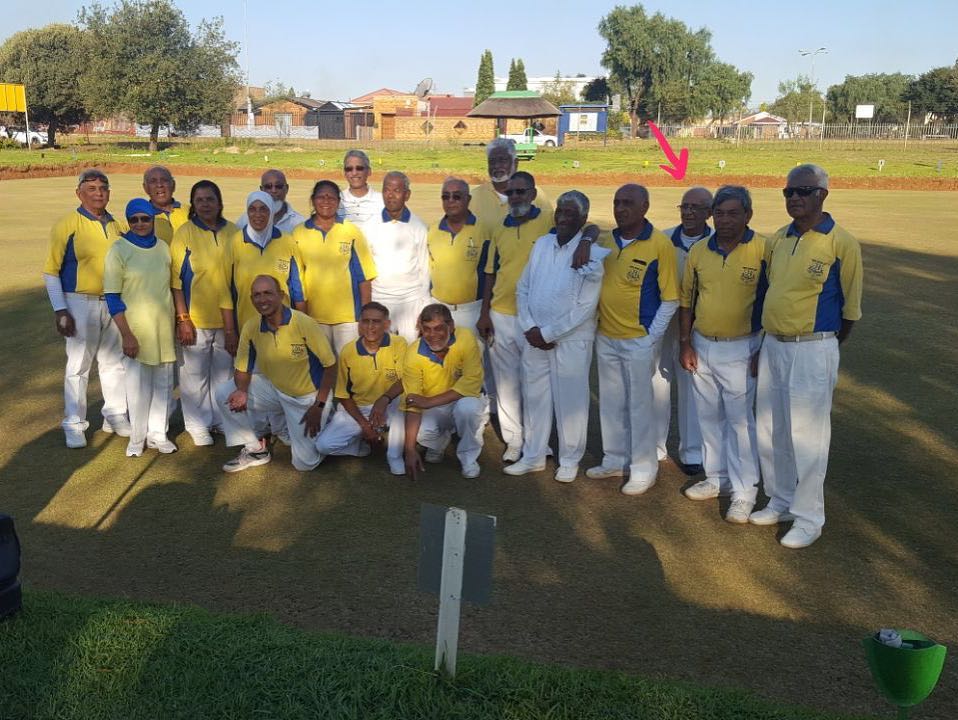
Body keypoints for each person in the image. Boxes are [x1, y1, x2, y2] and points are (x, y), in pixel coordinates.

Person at [751, 164, 863, 549]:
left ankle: (809, 517)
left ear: (823, 195)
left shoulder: (841, 242)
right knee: (770, 428)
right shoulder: (779, 238)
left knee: (807, 436)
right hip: (773, 345)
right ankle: (780, 499)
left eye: (803, 191)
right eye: (789, 192)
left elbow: (850, 310)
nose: (795, 198)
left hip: (813, 347)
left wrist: (823, 344)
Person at [679, 186, 766, 523]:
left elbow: (771, 301)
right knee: (708, 418)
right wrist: (685, 342)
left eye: (733, 213)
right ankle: (717, 478)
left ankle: (744, 492)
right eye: (720, 213)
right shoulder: (701, 250)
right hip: (702, 344)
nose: (725, 220)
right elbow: (687, 300)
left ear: (748, 215)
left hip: (743, 347)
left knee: (741, 422)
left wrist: (764, 348)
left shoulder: (763, 250)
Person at [506, 191, 607, 482]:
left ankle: (569, 460)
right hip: (534, 335)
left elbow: (585, 307)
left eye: (570, 214)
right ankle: (533, 456)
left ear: (583, 219)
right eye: (559, 212)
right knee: (535, 397)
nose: (562, 218)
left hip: (572, 340)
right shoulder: (542, 244)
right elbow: (523, 288)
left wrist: (549, 332)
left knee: (570, 401)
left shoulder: (593, 254)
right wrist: (530, 327)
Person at [588, 184, 680, 495]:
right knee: (611, 403)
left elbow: (670, 299)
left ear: (645, 207)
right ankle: (614, 459)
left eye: (628, 203)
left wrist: (651, 338)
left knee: (640, 406)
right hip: (606, 337)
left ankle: (644, 468)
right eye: (617, 202)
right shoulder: (607, 240)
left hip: (638, 340)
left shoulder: (659, 245)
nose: (621, 208)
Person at [42, 169, 129, 448]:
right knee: (78, 366)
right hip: (79, 301)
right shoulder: (67, 223)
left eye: (103, 187)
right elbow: (51, 270)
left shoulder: (116, 225)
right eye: (91, 188)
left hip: (113, 302)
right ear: (79, 193)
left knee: (114, 363)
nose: (98, 192)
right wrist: (60, 310)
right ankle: (74, 424)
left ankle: (115, 414)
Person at [215, 275, 336, 472]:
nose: (262, 300)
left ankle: (330, 421)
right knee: (224, 393)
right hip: (276, 390)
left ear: (281, 296)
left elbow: (330, 367)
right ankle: (256, 450)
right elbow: (242, 368)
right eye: (257, 295)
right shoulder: (251, 326)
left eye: (268, 293)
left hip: (308, 398)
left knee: (305, 463)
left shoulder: (304, 323)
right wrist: (242, 391)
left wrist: (319, 405)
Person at [103, 199, 177, 457]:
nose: (140, 224)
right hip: (134, 331)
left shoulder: (164, 248)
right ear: (128, 222)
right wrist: (126, 334)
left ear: (151, 219)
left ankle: (159, 434)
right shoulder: (119, 250)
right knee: (137, 387)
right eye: (134, 219)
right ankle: (137, 438)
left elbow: (170, 287)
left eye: (144, 218)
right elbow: (112, 297)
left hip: (163, 328)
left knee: (163, 385)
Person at [170, 180, 239, 446]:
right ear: (193, 204)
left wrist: (233, 325)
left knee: (223, 375)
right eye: (200, 200)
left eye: (210, 199)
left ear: (219, 202)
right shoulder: (185, 233)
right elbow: (176, 282)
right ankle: (197, 424)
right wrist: (183, 319)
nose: (206, 204)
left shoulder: (233, 232)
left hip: (227, 319)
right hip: (195, 319)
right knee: (194, 377)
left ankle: (219, 420)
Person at [653, 186, 712, 473]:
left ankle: (691, 452)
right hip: (664, 323)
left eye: (696, 208)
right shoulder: (663, 239)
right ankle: (654, 447)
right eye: (684, 207)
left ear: (708, 213)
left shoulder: (716, 242)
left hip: (698, 325)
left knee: (691, 386)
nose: (688, 213)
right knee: (657, 384)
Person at [316, 302, 406, 475]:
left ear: (386, 324)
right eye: (365, 321)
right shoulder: (348, 351)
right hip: (360, 408)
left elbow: (405, 380)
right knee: (323, 446)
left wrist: (383, 400)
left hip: (390, 402)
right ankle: (360, 446)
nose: (370, 327)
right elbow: (343, 395)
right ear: (359, 324)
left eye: (376, 321)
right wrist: (365, 426)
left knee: (404, 404)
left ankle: (394, 456)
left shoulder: (399, 343)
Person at [293, 180, 377, 354]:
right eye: (321, 197)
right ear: (312, 200)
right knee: (322, 369)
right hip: (314, 318)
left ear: (338, 202)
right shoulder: (299, 233)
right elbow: (297, 280)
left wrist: (365, 317)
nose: (326, 201)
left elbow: (364, 277)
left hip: (348, 319)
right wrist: (303, 318)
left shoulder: (351, 231)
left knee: (348, 369)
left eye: (331, 197)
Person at [402, 304, 486, 479]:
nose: (433, 335)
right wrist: (409, 449)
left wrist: (428, 402)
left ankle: (468, 458)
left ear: (451, 326)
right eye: (427, 329)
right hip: (436, 404)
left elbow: (471, 383)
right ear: (421, 329)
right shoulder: (412, 353)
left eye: (439, 328)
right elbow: (413, 403)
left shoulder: (466, 337)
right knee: (421, 434)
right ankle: (440, 441)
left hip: (465, 397)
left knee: (467, 410)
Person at [362, 171, 430, 342]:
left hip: (411, 302)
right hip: (380, 299)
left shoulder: (419, 227)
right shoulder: (369, 226)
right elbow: (365, 271)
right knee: (381, 354)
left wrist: (423, 307)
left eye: (397, 191)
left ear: (407, 195)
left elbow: (425, 270)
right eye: (386, 190)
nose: (390, 196)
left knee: (409, 354)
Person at [229, 190, 306, 332]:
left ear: (271, 212)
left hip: (284, 324)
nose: (257, 214)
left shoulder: (287, 241)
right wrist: (230, 330)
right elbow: (227, 290)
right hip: (247, 324)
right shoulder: (235, 242)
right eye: (252, 209)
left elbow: (297, 288)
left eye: (263, 209)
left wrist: (302, 324)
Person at [426, 178, 490, 332]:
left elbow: (490, 274)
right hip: (438, 310)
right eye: (445, 196)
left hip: (471, 312)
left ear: (468, 199)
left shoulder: (484, 230)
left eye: (456, 196)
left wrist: (485, 314)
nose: (450, 201)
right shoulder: (432, 230)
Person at [236, 169, 305, 234]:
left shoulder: (299, 224)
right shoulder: (245, 221)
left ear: (286, 188)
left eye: (278, 186)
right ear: (261, 190)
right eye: (268, 186)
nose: (273, 190)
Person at [142, 166, 189, 243]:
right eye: (153, 181)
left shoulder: (191, 213)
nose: (159, 185)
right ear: (145, 188)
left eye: (164, 180)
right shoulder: (139, 219)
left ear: (173, 185)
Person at [337, 150, 383, 225]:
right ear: (344, 173)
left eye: (359, 168)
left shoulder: (383, 202)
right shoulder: (335, 202)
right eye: (349, 169)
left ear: (369, 171)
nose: (354, 173)